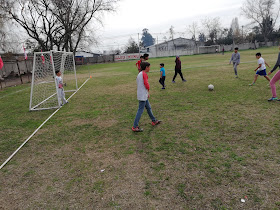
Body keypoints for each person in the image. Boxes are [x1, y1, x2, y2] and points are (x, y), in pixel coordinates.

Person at [132, 62, 161, 132]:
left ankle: (154, 120)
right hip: (142, 95)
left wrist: (146, 93)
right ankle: (135, 126)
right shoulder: (144, 74)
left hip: (142, 94)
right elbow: (146, 84)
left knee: (148, 107)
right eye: (149, 67)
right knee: (140, 110)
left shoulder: (139, 74)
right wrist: (148, 90)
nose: (150, 68)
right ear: (146, 67)